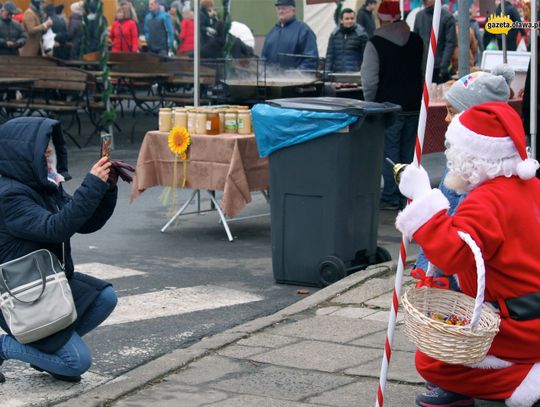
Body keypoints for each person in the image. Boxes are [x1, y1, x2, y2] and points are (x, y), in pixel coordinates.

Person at [396, 102, 540, 407]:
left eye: (453, 150)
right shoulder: (532, 186)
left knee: (431, 362)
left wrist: (422, 197)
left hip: (518, 326)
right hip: (528, 316)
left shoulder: (487, 200)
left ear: (471, 157)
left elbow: (452, 255)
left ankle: (526, 379)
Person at [0, 117, 122, 383]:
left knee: (105, 297)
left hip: (49, 283)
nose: (48, 150)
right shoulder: (9, 196)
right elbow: (56, 227)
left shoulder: (45, 184)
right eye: (41, 145)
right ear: (21, 153)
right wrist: (92, 184)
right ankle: (5, 346)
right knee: (75, 362)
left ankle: (41, 351)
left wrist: (107, 189)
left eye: (49, 144)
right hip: (23, 294)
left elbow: (85, 222)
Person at [413, 66, 515, 289]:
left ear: (474, 116)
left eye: (452, 111)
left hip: (465, 282)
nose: (447, 119)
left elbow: (454, 230)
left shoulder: (476, 175)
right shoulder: (464, 164)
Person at [361, 0, 424, 210]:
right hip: (414, 104)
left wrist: (369, 104)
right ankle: (406, 195)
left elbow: (369, 81)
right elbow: (424, 73)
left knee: (389, 154)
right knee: (407, 154)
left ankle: (390, 195)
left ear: (380, 18)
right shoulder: (417, 41)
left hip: (387, 107)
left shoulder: (375, 43)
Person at [261, 0, 318, 71]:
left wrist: (295, 76)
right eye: (279, 8)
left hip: (296, 81)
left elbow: (311, 59)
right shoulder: (271, 33)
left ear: (293, 10)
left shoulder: (304, 31)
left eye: (284, 8)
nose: (280, 11)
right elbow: (263, 58)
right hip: (272, 80)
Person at [414, 0, 456, 83]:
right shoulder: (419, 16)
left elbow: (450, 43)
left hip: (438, 68)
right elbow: (415, 42)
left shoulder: (447, 17)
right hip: (424, 67)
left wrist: (443, 66)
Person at [325, 8, 368, 74]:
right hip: (337, 75)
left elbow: (366, 57)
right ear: (341, 20)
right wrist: (327, 73)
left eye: (352, 18)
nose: (350, 21)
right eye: (347, 19)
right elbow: (329, 56)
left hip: (355, 75)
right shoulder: (334, 34)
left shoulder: (361, 35)